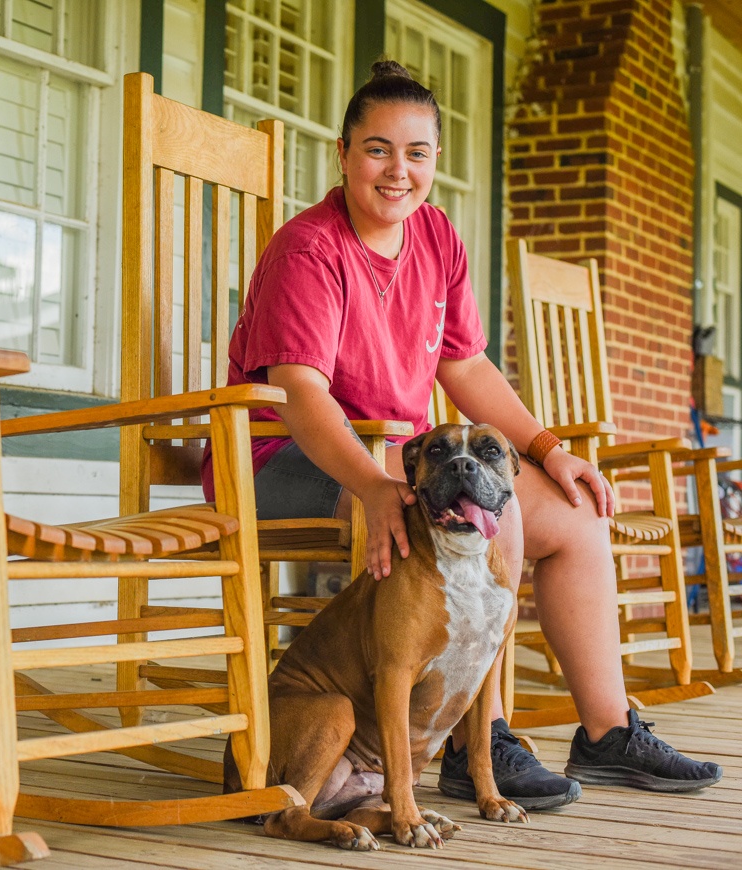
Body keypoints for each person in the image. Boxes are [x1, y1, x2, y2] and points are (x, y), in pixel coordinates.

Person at [201, 59, 723, 810]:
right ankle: (480, 739)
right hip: (282, 456)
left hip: (406, 462)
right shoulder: (309, 248)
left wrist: (548, 449)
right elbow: (301, 398)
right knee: (469, 515)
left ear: (435, 161)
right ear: (343, 153)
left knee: (569, 514)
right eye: (377, 148)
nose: (396, 171)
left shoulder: (438, 236)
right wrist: (376, 485)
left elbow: (467, 365)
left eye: (416, 153)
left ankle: (608, 732)